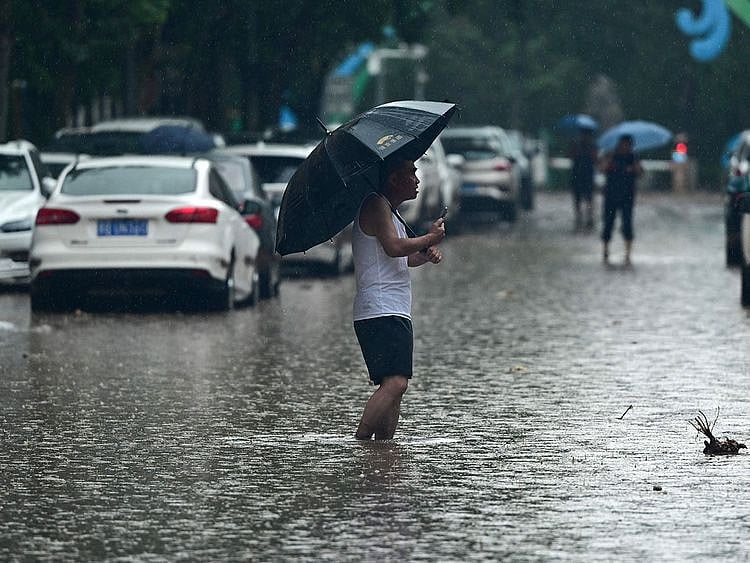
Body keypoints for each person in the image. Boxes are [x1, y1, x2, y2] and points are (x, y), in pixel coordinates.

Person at [352, 158, 445, 440]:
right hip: (380, 308)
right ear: (394, 179)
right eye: (411, 173)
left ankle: (383, 453)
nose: (417, 179)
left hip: (394, 308)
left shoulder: (389, 211)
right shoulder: (376, 204)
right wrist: (429, 237)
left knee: (396, 387)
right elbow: (394, 248)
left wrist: (423, 254)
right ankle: (360, 444)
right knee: (395, 383)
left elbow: (401, 259)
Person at [599, 134, 643, 265]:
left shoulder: (633, 157)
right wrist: (608, 161)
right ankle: (605, 250)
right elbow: (602, 168)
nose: (625, 147)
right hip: (610, 195)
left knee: (627, 224)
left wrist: (634, 167)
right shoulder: (611, 156)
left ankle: (628, 253)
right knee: (608, 223)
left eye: (627, 144)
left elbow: (640, 172)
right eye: (623, 144)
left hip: (627, 196)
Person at [568, 128, 598, 228]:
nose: (584, 137)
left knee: (589, 198)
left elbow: (595, 159)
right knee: (577, 198)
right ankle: (579, 217)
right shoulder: (575, 145)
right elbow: (570, 156)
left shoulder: (592, 146)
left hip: (588, 175)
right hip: (577, 175)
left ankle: (589, 217)